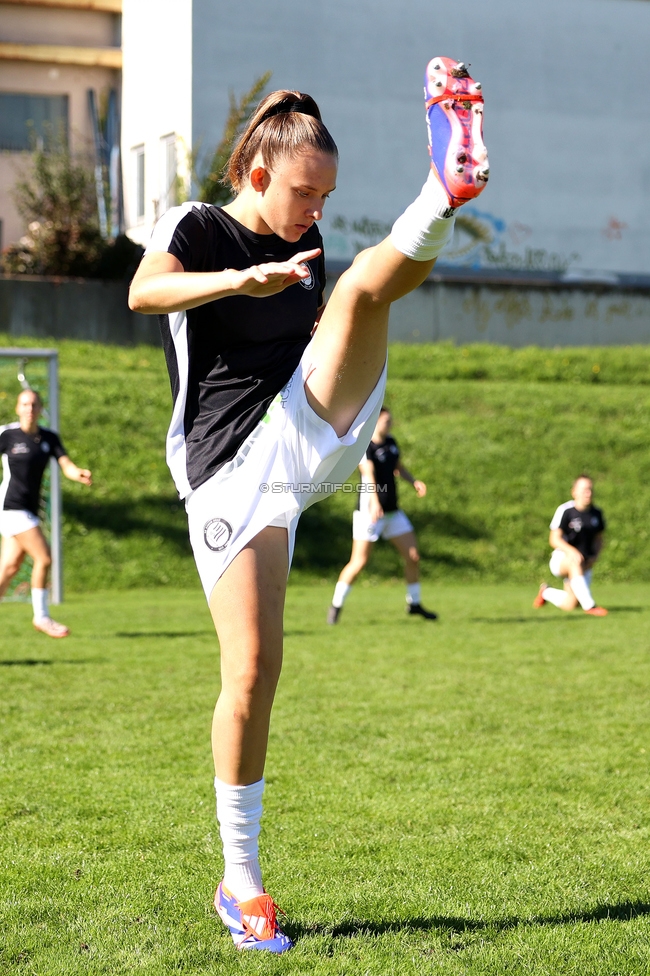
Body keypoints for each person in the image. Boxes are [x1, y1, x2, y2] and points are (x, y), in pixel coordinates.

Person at [128, 55, 488, 953]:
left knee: (362, 282)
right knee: (252, 674)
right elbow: (143, 292)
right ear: (258, 174)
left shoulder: (308, 246)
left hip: (306, 424)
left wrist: (298, 284)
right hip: (227, 468)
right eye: (303, 192)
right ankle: (239, 879)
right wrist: (235, 283)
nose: (314, 211)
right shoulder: (200, 225)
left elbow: (329, 315)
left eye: (326, 195)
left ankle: (443, 188)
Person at [327, 406, 437, 623]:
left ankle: (414, 604)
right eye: (386, 421)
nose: (390, 424)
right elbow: (368, 475)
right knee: (358, 562)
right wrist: (375, 502)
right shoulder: (365, 446)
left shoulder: (391, 443)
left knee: (413, 556)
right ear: (376, 422)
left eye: (390, 421)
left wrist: (413, 481)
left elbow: (398, 467)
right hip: (369, 514)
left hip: (393, 512)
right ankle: (336, 606)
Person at [0, 388, 92, 637]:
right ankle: (41, 617)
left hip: (28, 509)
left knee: (9, 568)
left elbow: (66, 465)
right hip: (12, 507)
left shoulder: (49, 438)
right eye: (25, 404)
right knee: (44, 558)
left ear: (40, 409)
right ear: (18, 408)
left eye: (34, 405)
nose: (29, 409)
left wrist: (78, 474)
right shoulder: (7, 435)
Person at [533, 474, 607, 615]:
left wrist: (594, 557)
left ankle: (545, 592)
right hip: (562, 559)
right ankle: (590, 606)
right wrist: (571, 551)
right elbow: (554, 539)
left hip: (584, 563)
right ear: (574, 492)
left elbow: (599, 539)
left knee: (570, 604)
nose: (588, 493)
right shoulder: (566, 511)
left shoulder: (596, 513)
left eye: (590, 489)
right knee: (575, 562)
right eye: (584, 490)